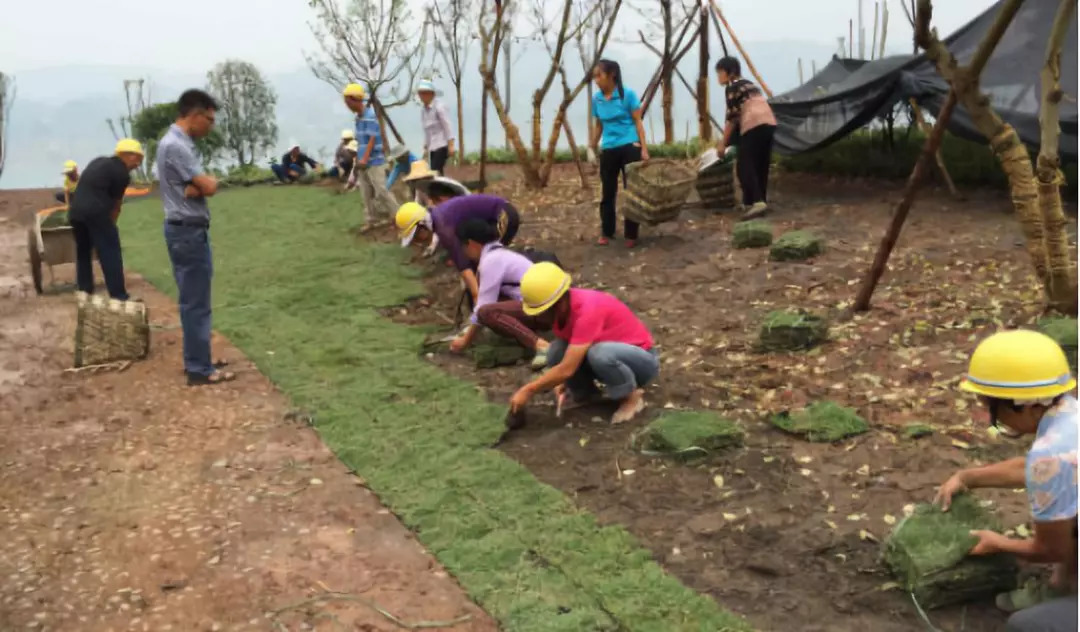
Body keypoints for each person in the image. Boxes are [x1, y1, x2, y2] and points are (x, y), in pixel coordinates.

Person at [934, 330, 1076, 632]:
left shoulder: (1051, 453)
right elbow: (1038, 470)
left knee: (1025, 626)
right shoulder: (1069, 413)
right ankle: (1060, 587)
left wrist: (998, 543)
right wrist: (967, 477)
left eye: (990, 408)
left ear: (1024, 404)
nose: (989, 416)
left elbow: (1051, 550)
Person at [509, 262, 658, 424]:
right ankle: (585, 395)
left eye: (545, 310)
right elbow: (568, 355)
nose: (542, 316)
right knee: (556, 351)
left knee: (600, 354)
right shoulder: (560, 314)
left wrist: (528, 390)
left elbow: (567, 368)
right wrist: (560, 381)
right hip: (605, 358)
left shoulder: (588, 310)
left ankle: (631, 397)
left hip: (640, 362)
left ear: (560, 301)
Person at [156, 89, 235, 386]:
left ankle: (198, 358)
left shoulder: (176, 143)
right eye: (210, 120)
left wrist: (197, 186)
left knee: (194, 299)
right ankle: (199, 369)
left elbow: (196, 187)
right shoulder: (176, 146)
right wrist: (204, 184)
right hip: (187, 231)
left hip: (184, 229)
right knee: (196, 301)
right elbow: (208, 186)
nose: (211, 126)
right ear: (194, 115)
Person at [449, 218, 550, 368]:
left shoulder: (491, 261)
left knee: (487, 312)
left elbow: (484, 308)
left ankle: (541, 345)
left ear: (471, 243)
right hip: (541, 304)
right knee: (492, 306)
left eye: (463, 247)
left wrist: (465, 341)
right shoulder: (500, 255)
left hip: (543, 308)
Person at [397, 193, 520, 301]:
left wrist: (478, 300)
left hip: (504, 216)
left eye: (416, 237)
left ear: (422, 225)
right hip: (493, 220)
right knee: (483, 267)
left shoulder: (443, 226)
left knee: (493, 262)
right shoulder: (439, 218)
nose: (417, 242)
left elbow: (464, 268)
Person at [67, 140, 143, 300]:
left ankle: (84, 290)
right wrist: (110, 227)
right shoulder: (122, 173)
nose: (138, 164)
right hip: (96, 212)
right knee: (110, 251)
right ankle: (119, 295)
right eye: (137, 159)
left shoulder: (99, 161)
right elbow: (116, 205)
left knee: (83, 251)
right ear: (127, 155)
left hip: (75, 212)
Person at [589, 59, 649, 248]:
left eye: (599, 75)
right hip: (609, 148)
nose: (596, 80)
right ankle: (607, 232)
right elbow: (599, 125)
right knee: (607, 191)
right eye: (594, 77)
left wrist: (644, 149)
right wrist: (591, 147)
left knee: (631, 191)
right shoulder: (597, 99)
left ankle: (631, 234)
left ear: (612, 74)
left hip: (629, 146)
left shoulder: (628, 95)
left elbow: (638, 122)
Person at [715, 56, 776, 220]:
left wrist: (722, 143)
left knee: (744, 165)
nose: (718, 77)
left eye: (720, 72)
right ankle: (756, 202)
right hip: (769, 123)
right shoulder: (750, 84)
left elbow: (733, 117)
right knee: (760, 163)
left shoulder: (732, 88)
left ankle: (756, 201)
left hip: (754, 124)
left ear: (731, 73)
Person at [343, 83, 398, 232]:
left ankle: (398, 216)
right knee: (365, 193)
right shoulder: (359, 119)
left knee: (381, 190)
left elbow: (372, 139)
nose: (348, 106)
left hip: (375, 161)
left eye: (349, 102)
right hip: (362, 161)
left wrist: (365, 158)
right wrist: (359, 161)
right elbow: (361, 141)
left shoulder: (370, 116)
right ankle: (371, 220)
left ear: (356, 100)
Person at [417, 80, 455, 174]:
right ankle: (442, 188)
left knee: (434, 170)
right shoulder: (424, 111)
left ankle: (439, 188)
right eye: (421, 93)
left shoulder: (439, 107)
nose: (422, 96)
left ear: (431, 94)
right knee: (437, 172)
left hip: (441, 145)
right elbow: (427, 130)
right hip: (432, 147)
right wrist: (426, 146)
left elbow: (447, 126)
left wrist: (451, 145)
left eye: (424, 93)